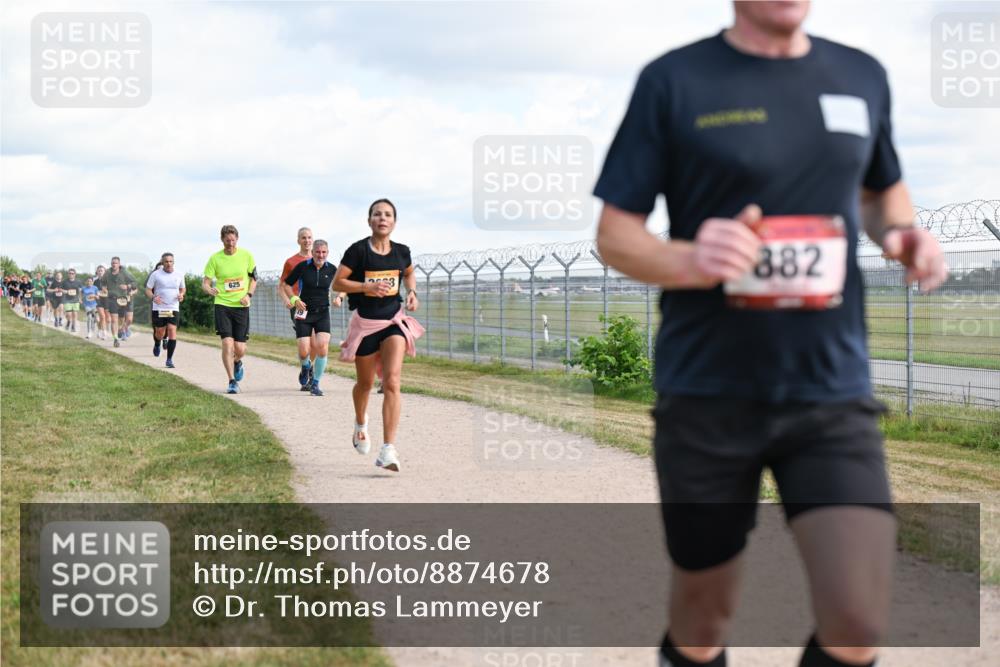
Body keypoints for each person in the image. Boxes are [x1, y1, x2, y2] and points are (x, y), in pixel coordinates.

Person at [592, 3, 948, 667]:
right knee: (703, 620)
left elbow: (879, 193)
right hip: (707, 390)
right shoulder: (674, 80)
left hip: (830, 389)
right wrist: (691, 258)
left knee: (859, 620)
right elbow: (616, 235)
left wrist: (900, 234)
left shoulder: (861, 74)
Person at [334, 198, 424, 472]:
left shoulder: (402, 252)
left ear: (394, 222)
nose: (382, 218)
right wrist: (365, 287)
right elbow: (338, 282)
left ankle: (388, 450)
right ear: (369, 220)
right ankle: (360, 423)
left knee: (393, 381)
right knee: (364, 384)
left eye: (387, 215)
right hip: (365, 324)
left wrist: (411, 292)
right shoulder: (358, 251)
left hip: (393, 320)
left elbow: (408, 274)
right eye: (377, 214)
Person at [279, 227, 346, 390]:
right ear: (313, 252)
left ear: (327, 252)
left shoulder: (331, 268)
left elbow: (344, 285)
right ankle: (305, 366)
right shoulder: (302, 266)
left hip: (323, 312)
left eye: (324, 252)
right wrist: (294, 299)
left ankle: (315, 383)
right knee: (304, 350)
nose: (320, 255)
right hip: (303, 311)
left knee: (322, 346)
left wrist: (339, 297)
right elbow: (286, 284)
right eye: (318, 252)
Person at [202, 225, 257, 394]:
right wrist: (209, 289)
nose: (230, 244)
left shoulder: (246, 256)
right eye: (227, 241)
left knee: (240, 349)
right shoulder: (215, 259)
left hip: (241, 305)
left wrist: (248, 295)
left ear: (237, 239)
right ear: (222, 240)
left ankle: (237, 361)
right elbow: (205, 282)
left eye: (233, 240)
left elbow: (254, 279)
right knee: (227, 343)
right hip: (222, 304)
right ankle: (232, 381)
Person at [146, 253, 186, 368]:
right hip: (159, 308)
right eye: (166, 262)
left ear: (173, 262)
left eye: (170, 261)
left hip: (173, 307)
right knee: (160, 333)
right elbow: (148, 290)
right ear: (162, 263)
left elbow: (183, 289)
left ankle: (169, 359)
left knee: (172, 330)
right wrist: (154, 297)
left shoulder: (179, 274)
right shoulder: (156, 274)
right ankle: (157, 343)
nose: (168, 263)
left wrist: (182, 295)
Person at [104, 257, 136, 347]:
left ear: (119, 264)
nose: (114, 265)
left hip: (123, 299)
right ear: (111, 264)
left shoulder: (125, 273)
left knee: (124, 319)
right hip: (112, 299)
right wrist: (104, 288)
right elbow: (102, 282)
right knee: (114, 320)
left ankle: (121, 330)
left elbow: (134, 284)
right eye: (113, 263)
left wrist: (127, 286)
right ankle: (115, 339)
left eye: (116, 263)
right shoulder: (107, 273)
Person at [93, 265, 110, 340]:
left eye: (101, 270)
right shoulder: (95, 282)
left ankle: (100, 330)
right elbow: (92, 291)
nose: (100, 272)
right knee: (102, 317)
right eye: (99, 271)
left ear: (105, 272)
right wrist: (95, 295)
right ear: (97, 272)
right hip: (98, 300)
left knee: (107, 319)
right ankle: (104, 333)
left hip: (107, 300)